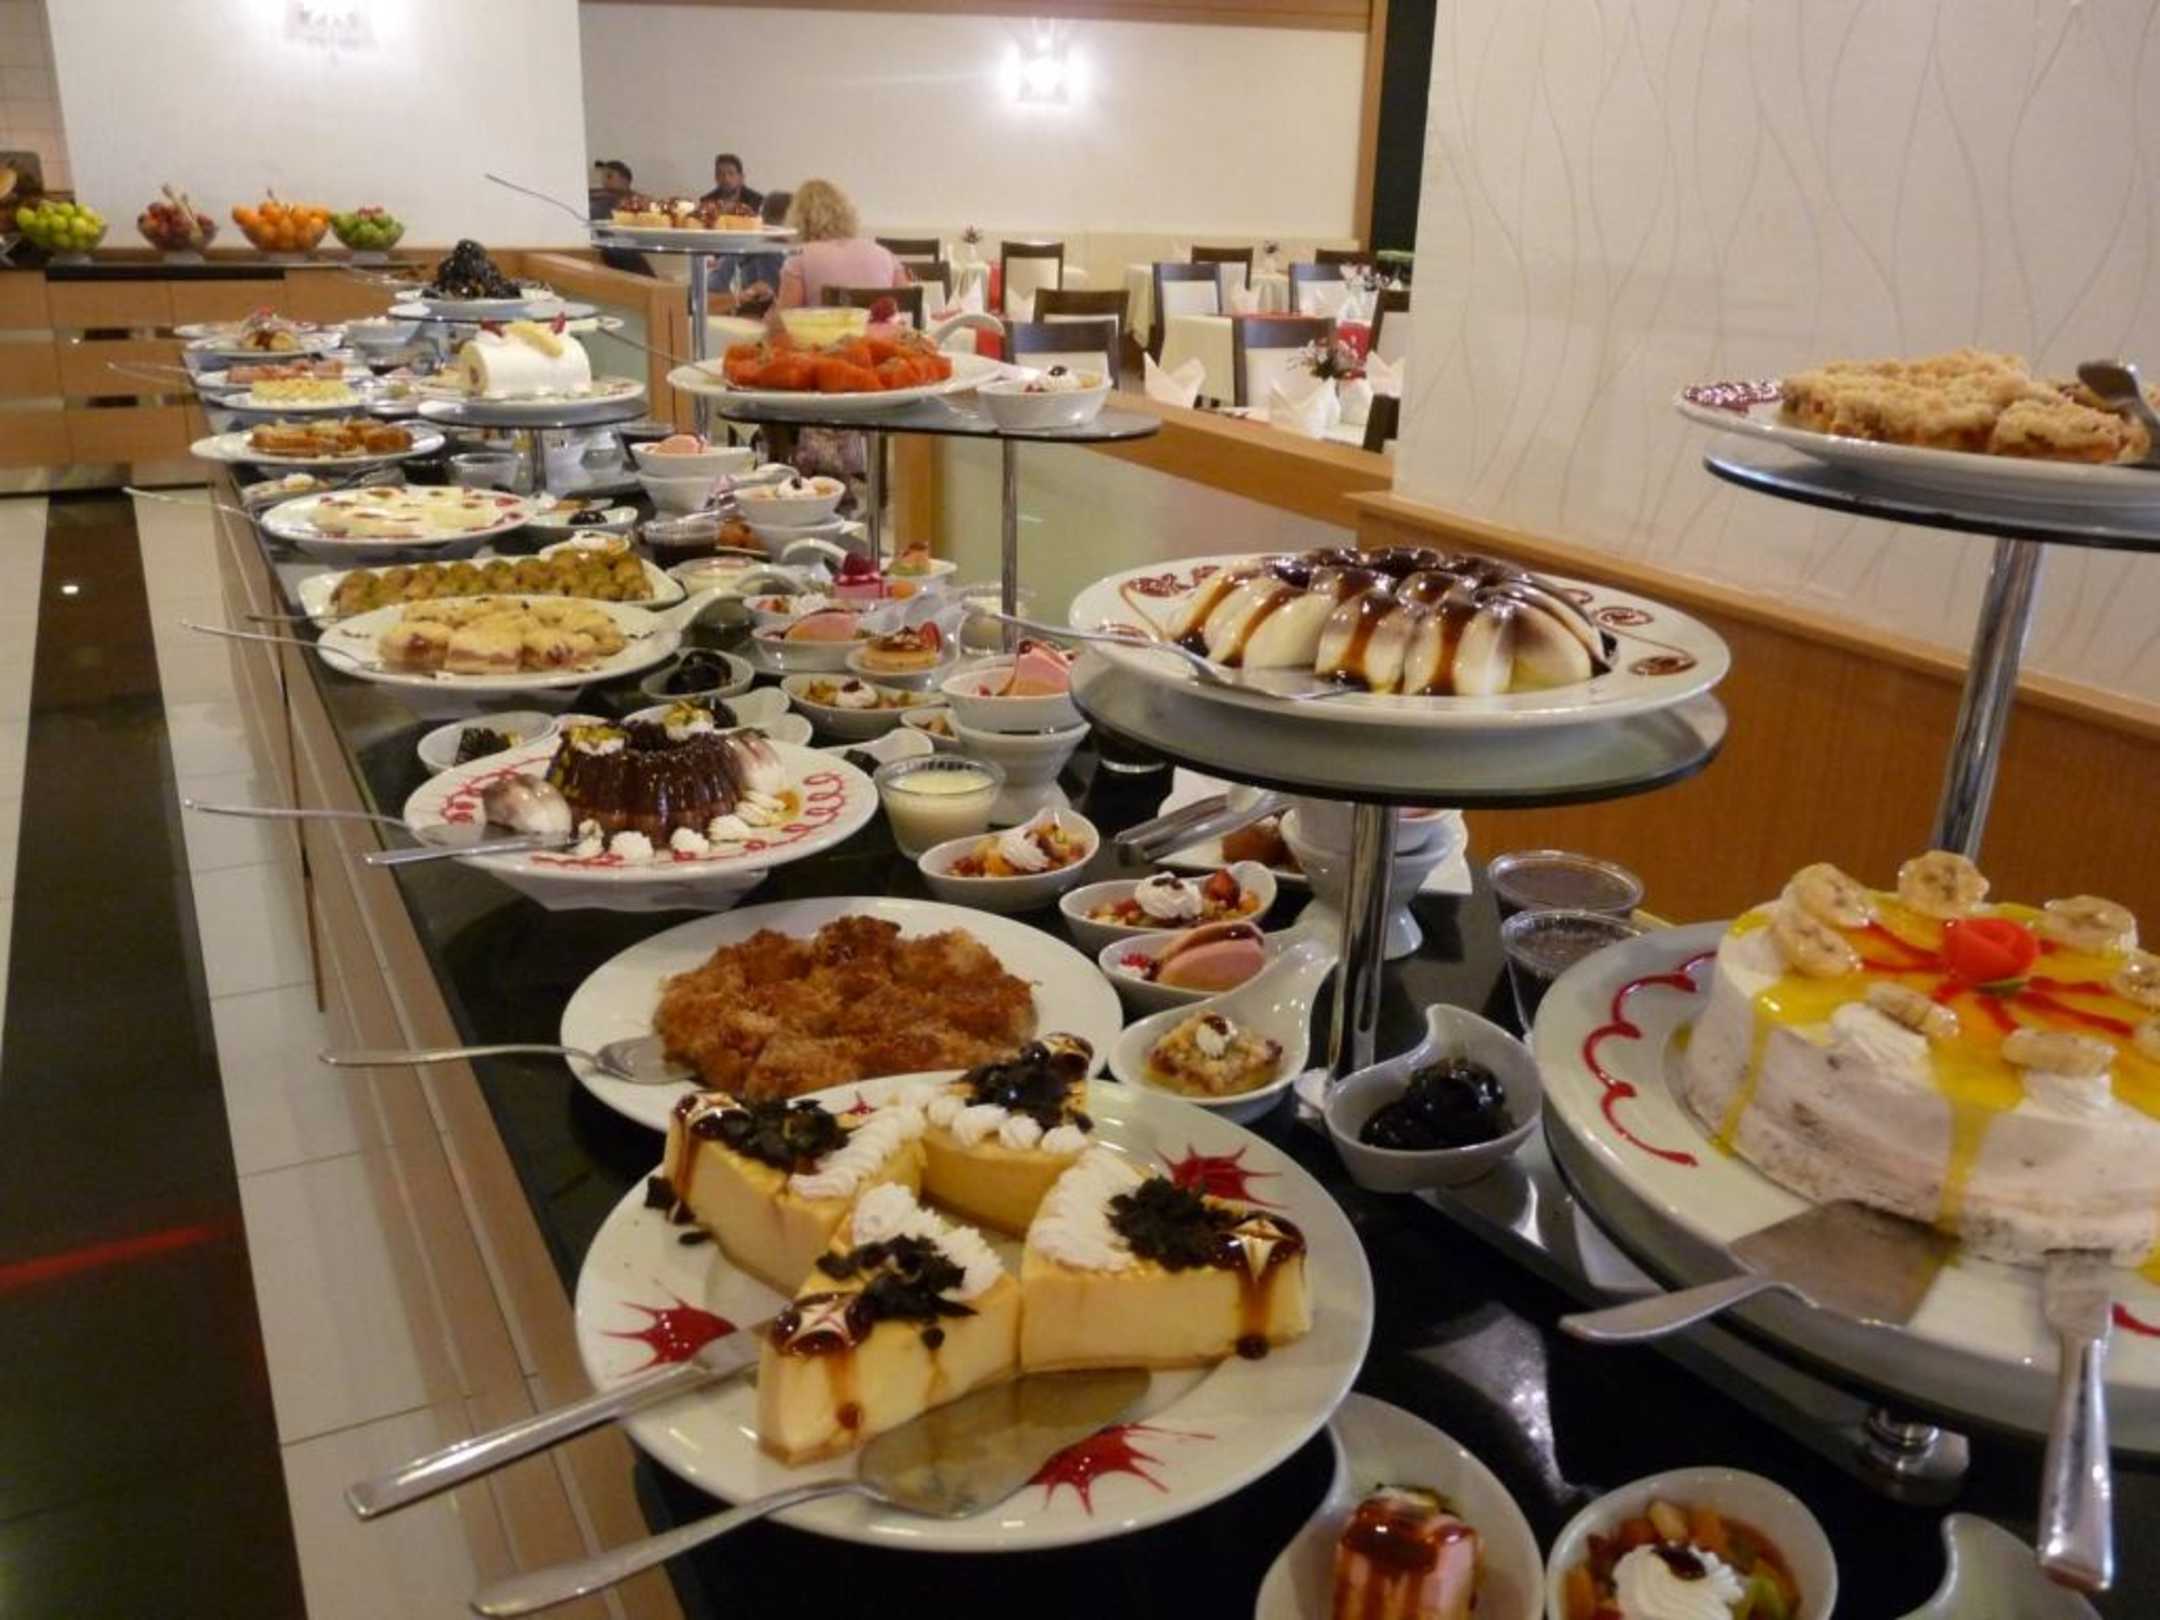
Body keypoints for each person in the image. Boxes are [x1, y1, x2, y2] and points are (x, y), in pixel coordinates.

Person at [774, 179, 909, 313]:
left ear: (797, 219)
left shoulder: (800, 257)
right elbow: (906, 309)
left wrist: (769, 308)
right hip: (878, 327)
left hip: (823, 328)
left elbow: (783, 319)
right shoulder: (885, 254)